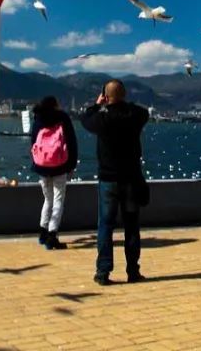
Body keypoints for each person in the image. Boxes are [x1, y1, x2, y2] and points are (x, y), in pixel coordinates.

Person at [82, 80, 150, 286]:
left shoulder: (101, 119)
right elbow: (143, 111)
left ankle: (103, 272)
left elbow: (85, 118)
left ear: (106, 96)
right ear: (125, 95)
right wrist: (121, 102)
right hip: (130, 179)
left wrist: (98, 104)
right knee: (131, 226)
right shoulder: (135, 116)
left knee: (105, 226)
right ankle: (133, 271)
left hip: (108, 180)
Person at [29, 96, 78, 250]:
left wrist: (38, 161)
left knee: (47, 199)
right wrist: (72, 164)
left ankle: (42, 232)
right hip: (60, 165)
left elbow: (34, 142)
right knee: (58, 200)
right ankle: (52, 235)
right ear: (55, 105)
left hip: (42, 166)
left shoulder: (38, 119)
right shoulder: (63, 118)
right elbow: (71, 142)